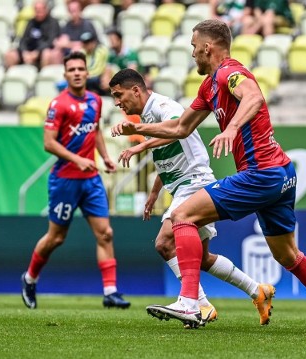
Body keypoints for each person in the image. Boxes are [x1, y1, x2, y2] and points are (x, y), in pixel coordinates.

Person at [110, 19, 306, 334]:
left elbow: (254, 97)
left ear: (207, 47)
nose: (191, 54)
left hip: (262, 173)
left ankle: (190, 302)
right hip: (282, 174)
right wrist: (139, 129)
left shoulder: (230, 73)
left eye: (193, 47)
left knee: (183, 215)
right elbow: (180, 128)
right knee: (287, 255)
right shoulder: (208, 86)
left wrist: (230, 128)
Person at [109, 68, 275, 328]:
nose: (117, 102)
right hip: (182, 185)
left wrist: (141, 142)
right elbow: (167, 158)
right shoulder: (148, 115)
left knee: (164, 243)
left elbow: (179, 128)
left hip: (195, 182)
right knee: (203, 258)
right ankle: (258, 291)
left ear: (136, 90)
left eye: (119, 95)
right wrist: (154, 195)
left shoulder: (163, 106)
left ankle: (198, 305)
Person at [21, 51, 130, 310]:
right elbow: (48, 143)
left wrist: (104, 157)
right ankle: (30, 278)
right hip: (65, 180)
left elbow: (95, 131)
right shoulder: (58, 104)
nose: (77, 73)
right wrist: (77, 159)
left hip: (91, 179)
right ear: (65, 74)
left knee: (105, 233)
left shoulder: (95, 100)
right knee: (56, 238)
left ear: (87, 72)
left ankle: (110, 292)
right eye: (72, 70)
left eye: (81, 68)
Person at [4, 0, 60, 69]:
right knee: (10, 54)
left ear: (46, 9)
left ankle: (43, 77)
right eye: (36, 10)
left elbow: (50, 41)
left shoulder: (53, 22)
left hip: (42, 52)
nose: (38, 12)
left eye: (40, 10)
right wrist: (25, 52)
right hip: (28, 51)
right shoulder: (31, 22)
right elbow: (23, 40)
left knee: (47, 54)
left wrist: (36, 53)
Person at [42, 0, 96, 66]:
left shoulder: (87, 25)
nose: (73, 13)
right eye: (70, 11)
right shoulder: (67, 25)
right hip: (68, 52)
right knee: (53, 53)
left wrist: (69, 44)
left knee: (76, 50)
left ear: (80, 10)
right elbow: (61, 41)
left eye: (74, 10)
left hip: (87, 52)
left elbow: (88, 44)